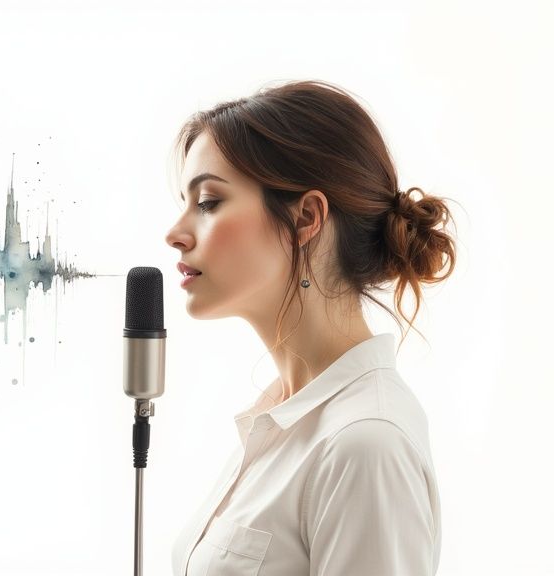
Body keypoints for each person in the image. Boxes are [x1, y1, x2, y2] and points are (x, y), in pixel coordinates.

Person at [164, 80, 459, 576]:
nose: (176, 233)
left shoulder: (365, 443)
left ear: (306, 217)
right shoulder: (281, 421)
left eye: (209, 202)